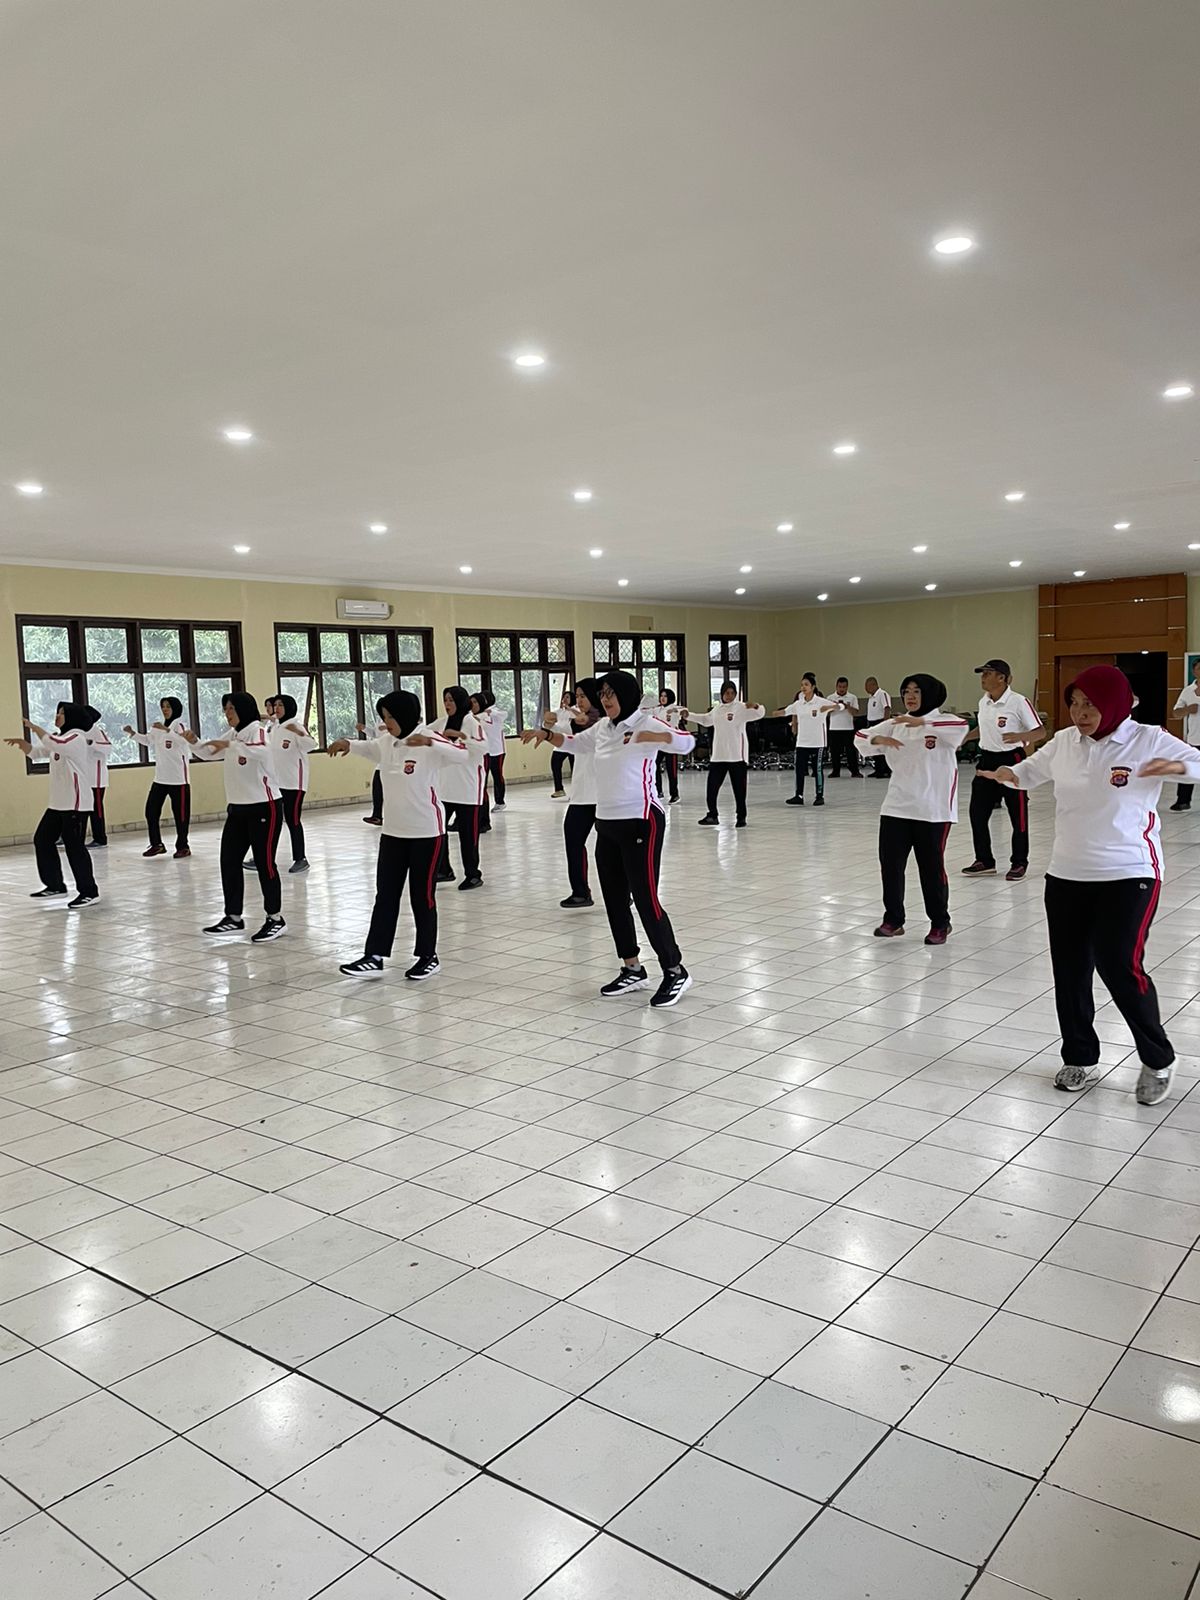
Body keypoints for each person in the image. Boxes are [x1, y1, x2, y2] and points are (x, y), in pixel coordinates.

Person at [979, 664, 1200, 1106]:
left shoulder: (1147, 738)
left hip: (1130, 873)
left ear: (1115, 703)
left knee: (1119, 966)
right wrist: (1008, 774)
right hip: (1067, 874)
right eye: (1075, 703)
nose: (1080, 713)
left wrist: (1172, 765)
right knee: (1070, 970)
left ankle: (1158, 1058)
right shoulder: (1065, 742)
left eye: (1090, 705)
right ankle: (1080, 1056)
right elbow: (1031, 771)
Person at [545, 669, 694, 1005]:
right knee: (614, 899)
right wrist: (546, 734)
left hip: (642, 821)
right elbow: (574, 744)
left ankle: (675, 970)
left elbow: (687, 742)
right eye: (603, 694)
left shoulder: (645, 722)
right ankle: (632, 968)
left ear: (626, 695)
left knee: (645, 898)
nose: (606, 699)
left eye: (611, 693)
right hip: (608, 822)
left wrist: (658, 737)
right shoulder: (603, 728)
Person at [328, 690, 467, 980]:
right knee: (386, 895)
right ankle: (374, 956)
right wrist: (348, 744)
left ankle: (428, 956)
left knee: (421, 896)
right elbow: (369, 748)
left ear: (405, 715)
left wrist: (430, 742)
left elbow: (462, 754)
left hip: (426, 833)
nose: (386, 722)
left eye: (390, 717)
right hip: (393, 833)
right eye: (384, 717)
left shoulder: (427, 737)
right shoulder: (387, 742)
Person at [856, 675, 969, 944]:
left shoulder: (943, 722)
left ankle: (940, 922)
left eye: (917, 692)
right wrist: (878, 740)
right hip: (896, 806)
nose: (910, 696)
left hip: (933, 810)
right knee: (891, 866)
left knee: (931, 869)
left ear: (929, 695)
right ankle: (894, 919)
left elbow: (962, 725)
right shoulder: (896, 724)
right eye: (906, 691)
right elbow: (860, 736)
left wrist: (924, 723)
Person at [182, 692, 285, 941]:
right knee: (229, 861)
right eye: (225, 709)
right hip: (237, 809)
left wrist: (230, 745)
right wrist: (195, 742)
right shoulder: (234, 734)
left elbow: (262, 752)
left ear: (243, 709)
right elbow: (209, 752)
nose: (227, 713)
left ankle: (275, 918)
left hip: (265, 807)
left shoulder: (257, 730)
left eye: (231, 709)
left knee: (265, 864)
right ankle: (234, 917)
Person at [5, 703, 101, 907]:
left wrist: (34, 727)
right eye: (57, 712)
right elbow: (37, 752)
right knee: (42, 839)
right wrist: (24, 745)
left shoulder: (76, 737)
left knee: (74, 847)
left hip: (76, 803)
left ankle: (89, 892)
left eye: (62, 713)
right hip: (58, 803)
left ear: (72, 717)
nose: (57, 716)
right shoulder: (61, 738)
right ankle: (55, 885)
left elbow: (53, 743)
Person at [520, 677, 604, 907]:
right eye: (578, 696)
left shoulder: (608, 724)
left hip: (606, 796)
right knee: (573, 840)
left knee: (609, 850)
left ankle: (622, 892)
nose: (580, 700)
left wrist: (579, 722)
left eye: (584, 696)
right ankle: (580, 892)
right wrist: (545, 727)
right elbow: (560, 734)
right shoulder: (574, 720)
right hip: (582, 795)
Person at [962, 659, 1045, 882]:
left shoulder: (1018, 702)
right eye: (982, 674)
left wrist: (1020, 736)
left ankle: (1019, 862)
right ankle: (984, 860)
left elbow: (1040, 732)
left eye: (987, 674)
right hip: (986, 760)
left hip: (1012, 760)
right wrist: (965, 738)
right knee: (977, 813)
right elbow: (983, 728)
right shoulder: (984, 702)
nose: (983, 678)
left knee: (1018, 815)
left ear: (1002, 677)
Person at [429, 686, 488, 889]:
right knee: (438, 831)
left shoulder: (472, 722)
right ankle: (444, 869)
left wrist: (461, 736)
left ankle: (473, 874)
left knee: (468, 836)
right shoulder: (441, 723)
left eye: (451, 700)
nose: (447, 704)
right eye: (445, 700)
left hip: (468, 789)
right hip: (445, 788)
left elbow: (483, 747)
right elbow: (424, 733)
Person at [682, 682, 764, 827]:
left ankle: (741, 817)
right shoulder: (717, 709)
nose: (729, 696)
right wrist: (688, 716)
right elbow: (705, 720)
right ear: (722, 694)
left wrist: (756, 706)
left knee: (739, 790)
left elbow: (759, 714)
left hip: (736, 757)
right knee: (712, 788)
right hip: (718, 756)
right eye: (727, 693)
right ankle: (712, 815)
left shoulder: (741, 707)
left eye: (732, 693)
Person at [125, 697, 192, 858]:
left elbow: (184, 741)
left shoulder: (179, 725)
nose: (165, 709)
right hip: (161, 778)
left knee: (181, 816)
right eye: (163, 706)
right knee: (151, 811)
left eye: (168, 706)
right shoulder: (158, 727)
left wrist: (167, 730)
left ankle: (183, 846)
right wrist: (133, 733)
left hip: (178, 779)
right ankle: (156, 844)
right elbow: (148, 740)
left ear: (175, 708)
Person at [268, 694, 316, 874]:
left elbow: (311, 744)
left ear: (289, 707)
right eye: (275, 705)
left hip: (294, 783)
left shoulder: (296, 726)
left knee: (293, 820)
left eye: (280, 705)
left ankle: (300, 858)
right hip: (275, 783)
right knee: (271, 821)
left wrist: (298, 732)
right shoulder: (274, 728)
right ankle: (264, 857)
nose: (277, 708)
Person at [780, 676, 836, 806]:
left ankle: (819, 796)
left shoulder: (820, 702)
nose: (803, 687)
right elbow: (787, 711)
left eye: (806, 684)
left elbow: (838, 706)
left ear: (813, 687)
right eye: (802, 685)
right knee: (799, 769)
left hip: (817, 742)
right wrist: (770, 712)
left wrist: (836, 707)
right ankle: (798, 795)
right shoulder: (799, 703)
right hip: (802, 742)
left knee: (817, 770)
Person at [1170, 657, 1200, 811]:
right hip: (1194, 738)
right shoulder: (1187, 691)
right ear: (1194, 671)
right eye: (1199, 668)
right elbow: (1175, 713)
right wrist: (1188, 709)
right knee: (1187, 769)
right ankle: (1183, 801)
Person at [83, 705, 112, 847]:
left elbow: (108, 748)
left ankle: (100, 838)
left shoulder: (97, 732)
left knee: (96, 810)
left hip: (97, 779)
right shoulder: (79, 732)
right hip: (84, 778)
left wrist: (92, 743)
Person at [358, 704, 387, 825]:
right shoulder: (380, 721)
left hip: (394, 762)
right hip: (381, 761)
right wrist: (364, 729)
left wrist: (389, 726)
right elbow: (375, 734)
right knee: (377, 788)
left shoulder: (397, 719)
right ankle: (377, 816)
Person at [827, 678, 860, 777]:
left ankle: (855, 771)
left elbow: (856, 712)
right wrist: (834, 707)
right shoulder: (830, 698)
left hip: (848, 728)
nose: (842, 689)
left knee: (851, 751)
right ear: (836, 686)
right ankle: (835, 771)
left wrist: (847, 707)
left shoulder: (852, 697)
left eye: (844, 687)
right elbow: (826, 712)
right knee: (835, 751)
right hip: (834, 728)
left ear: (847, 687)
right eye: (840, 687)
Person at [481, 690, 508, 809]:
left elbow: (504, 714)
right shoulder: (480, 714)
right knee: (484, 777)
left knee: (497, 776)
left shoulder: (496, 712)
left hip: (497, 750)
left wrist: (490, 712)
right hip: (485, 751)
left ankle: (500, 802)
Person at [655, 689, 682, 803]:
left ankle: (674, 795)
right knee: (654, 764)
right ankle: (658, 791)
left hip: (671, 743)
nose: (662, 698)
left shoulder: (674, 709)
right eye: (661, 696)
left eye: (665, 696)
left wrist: (676, 710)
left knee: (671, 770)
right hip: (660, 743)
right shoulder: (658, 709)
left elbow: (683, 710)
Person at [865, 676, 893, 777]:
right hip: (872, 724)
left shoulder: (882, 694)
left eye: (867, 686)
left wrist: (885, 724)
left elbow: (887, 708)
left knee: (882, 748)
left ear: (874, 685)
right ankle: (878, 769)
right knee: (875, 748)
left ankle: (885, 770)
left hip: (880, 722)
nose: (866, 689)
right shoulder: (871, 697)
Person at [549, 689, 575, 798]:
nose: (565, 699)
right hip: (562, 742)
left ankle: (576, 792)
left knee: (575, 768)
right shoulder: (559, 712)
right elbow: (553, 725)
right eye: (564, 697)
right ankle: (559, 789)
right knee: (555, 763)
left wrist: (569, 708)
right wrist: (548, 722)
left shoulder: (575, 710)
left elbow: (574, 720)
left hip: (574, 742)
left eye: (567, 697)